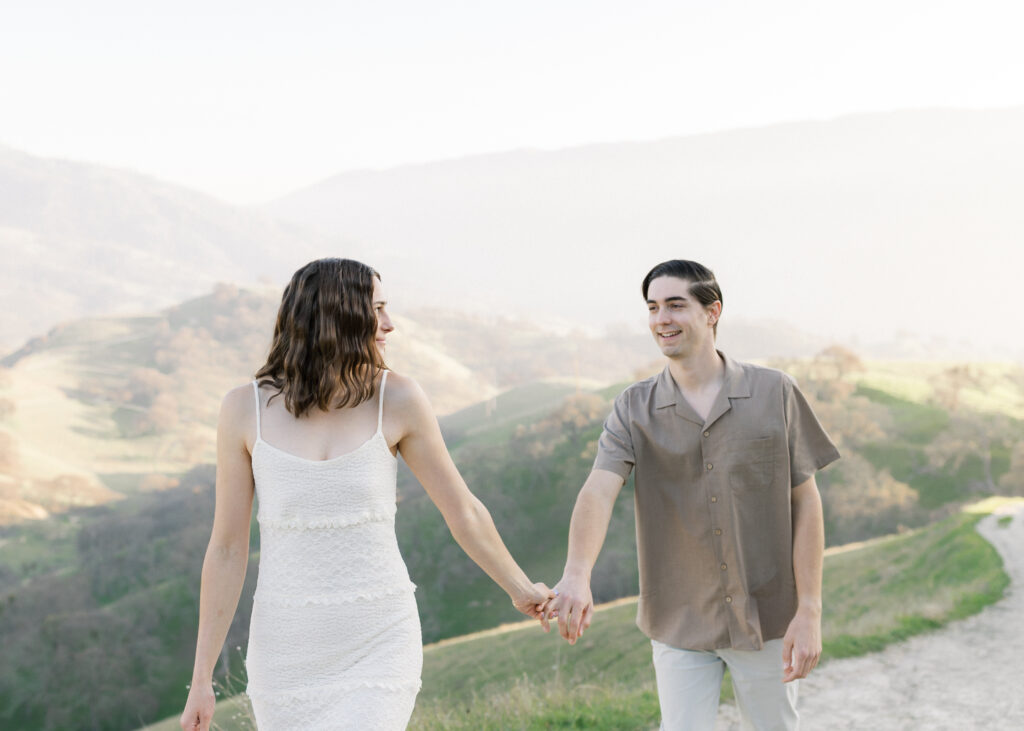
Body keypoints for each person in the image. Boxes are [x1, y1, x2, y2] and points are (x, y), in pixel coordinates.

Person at [179, 258, 552, 731]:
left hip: (379, 639)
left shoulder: (398, 399)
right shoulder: (242, 408)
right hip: (285, 650)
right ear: (335, 316)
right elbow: (228, 548)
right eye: (376, 310)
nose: (389, 324)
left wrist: (521, 589)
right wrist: (201, 678)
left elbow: (462, 509)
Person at [547, 259, 839, 730]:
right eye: (653, 307)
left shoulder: (775, 392)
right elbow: (598, 491)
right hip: (678, 619)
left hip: (768, 617)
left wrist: (809, 610)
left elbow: (805, 502)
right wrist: (577, 574)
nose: (661, 319)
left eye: (675, 305)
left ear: (712, 311)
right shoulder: (633, 407)